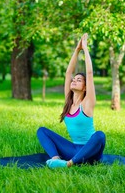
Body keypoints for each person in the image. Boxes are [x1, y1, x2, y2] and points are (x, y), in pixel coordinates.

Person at [37, 33, 106, 168]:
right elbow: (68, 73)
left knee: (100, 135)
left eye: (79, 80)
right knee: (42, 131)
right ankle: (56, 160)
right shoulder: (69, 101)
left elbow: (90, 73)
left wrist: (85, 48)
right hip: (74, 150)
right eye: (74, 80)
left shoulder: (88, 103)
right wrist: (76, 49)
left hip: (91, 154)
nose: (74, 80)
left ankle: (69, 164)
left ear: (85, 87)